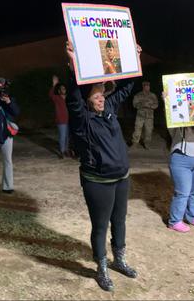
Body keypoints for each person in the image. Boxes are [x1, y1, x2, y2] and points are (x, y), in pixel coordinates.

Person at [65, 41, 141, 292]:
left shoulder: (109, 107)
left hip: (122, 177)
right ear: (87, 100)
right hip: (97, 182)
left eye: (102, 93)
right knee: (101, 225)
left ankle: (119, 260)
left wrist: (134, 60)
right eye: (95, 95)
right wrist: (73, 64)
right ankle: (101, 268)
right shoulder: (81, 120)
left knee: (120, 220)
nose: (100, 98)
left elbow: (128, 86)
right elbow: (73, 97)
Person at [162, 92, 194, 233]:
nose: (193, 108)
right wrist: (167, 102)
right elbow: (170, 116)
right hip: (180, 160)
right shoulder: (177, 126)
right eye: (190, 107)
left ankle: (192, 217)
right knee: (183, 193)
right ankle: (175, 221)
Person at [0, 78, 20, 194]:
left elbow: (16, 112)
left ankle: (8, 186)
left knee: (8, 161)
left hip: (7, 135)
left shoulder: (9, 98)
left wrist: (8, 102)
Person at [131, 81, 158, 149]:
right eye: (145, 86)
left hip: (149, 116)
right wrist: (142, 105)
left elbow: (156, 104)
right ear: (143, 86)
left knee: (149, 130)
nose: (147, 87)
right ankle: (135, 143)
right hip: (140, 115)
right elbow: (134, 104)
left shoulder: (153, 95)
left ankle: (147, 144)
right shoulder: (138, 95)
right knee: (137, 130)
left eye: (148, 86)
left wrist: (150, 106)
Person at [49, 75, 69, 158]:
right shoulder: (57, 98)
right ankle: (62, 151)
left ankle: (66, 150)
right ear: (59, 90)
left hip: (69, 120)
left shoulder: (69, 98)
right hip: (61, 121)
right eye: (61, 89)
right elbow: (50, 94)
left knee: (67, 137)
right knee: (62, 136)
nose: (63, 90)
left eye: (64, 88)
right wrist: (54, 85)